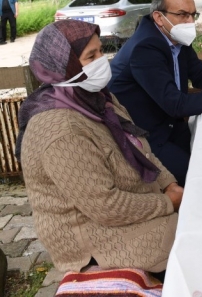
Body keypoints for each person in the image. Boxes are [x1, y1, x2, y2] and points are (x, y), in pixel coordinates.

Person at [17, 20, 182, 274]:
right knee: (195, 241)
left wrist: (169, 183)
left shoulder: (97, 98)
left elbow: (140, 147)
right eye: (90, 56)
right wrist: (167, 203)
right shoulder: (62, 130)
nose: (101, 61)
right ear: (64, 66)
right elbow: (107, 206)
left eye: (100, 51)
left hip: (136, 205)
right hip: (97, 238)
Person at [109, 0, 202, 186]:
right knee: (200, 177)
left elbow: (198, 72)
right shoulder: (145, 47)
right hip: (146, 136)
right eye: (182, 15)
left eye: (193, 15)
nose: (190, 22)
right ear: (159, 17)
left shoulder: (174, 36)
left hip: (171, 124)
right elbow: (175, 104)